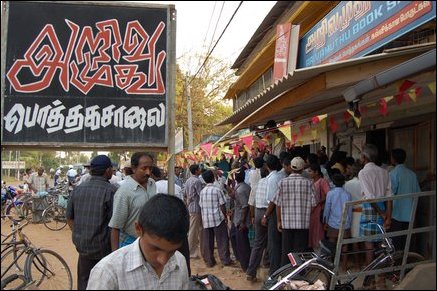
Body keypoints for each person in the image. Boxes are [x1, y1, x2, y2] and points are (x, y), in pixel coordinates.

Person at [87, 194, 190, 290]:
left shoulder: (179, 261)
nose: (163, 260)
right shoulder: (107, 272)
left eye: (171, 252)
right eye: (155, 248)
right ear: (138, 229)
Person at [66, 155, 118, 290]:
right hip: (103, 250)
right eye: (111, 169)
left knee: (84, 282)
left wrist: (81, 235)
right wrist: (115, 254)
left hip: (83, 248)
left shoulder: (78, 189)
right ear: (107, 171)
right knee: (103, 283)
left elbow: (69, 218)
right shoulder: (111, 191)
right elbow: (114, 225)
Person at [359, 144, 393, 289]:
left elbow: (369, 198)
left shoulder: (363, 173)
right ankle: (382, 280)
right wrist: (388, 216)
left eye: (361, 155)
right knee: (382, 248)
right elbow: (390, 195)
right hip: (384, 207)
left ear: (365, 157)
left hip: (371, 209)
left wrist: (381, 213)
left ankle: (371, 282)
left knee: (369, 249)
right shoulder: (384, 172)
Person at [272, 156, 316, 266]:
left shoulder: (282, 182)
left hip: (287, 223)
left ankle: (285, 274)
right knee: (300, 251)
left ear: (291, 168)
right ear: (302, 169)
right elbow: (314, 203)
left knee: (286, 251)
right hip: (302, 223)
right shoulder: (309, 183)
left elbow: (277, 203)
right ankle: (299, 275)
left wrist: (278, 221)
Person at [109, 152, 156, 250]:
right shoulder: (124, 192)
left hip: (148, 242)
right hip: (129, 244)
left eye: (150, 168)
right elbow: (115, 227)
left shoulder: (152, 184)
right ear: (134, 168)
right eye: (144, 168)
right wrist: (115, 255)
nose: (148, 172)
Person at [199, 170, 233, 267]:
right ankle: (225, 260)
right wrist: (225, 216)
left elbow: (201, 205)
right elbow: (222, 205)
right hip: (217, 218)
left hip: (206, 219)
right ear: (213, 178)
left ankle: (209, 261)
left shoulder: (202, 192)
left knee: (208, 241)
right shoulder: (217, 190)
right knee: (222, 240)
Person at [389, 148, 421, 252]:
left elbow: (390, 192)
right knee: (407, 242)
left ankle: (398, 266)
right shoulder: (412, 174)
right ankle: (408, 266)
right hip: (410, 214)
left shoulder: (393, 174)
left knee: (396, 243)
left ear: (393, 159)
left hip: (397, 214)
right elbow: (418, 193)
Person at [323, 173, 352, 271]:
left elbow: (327, 209)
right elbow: (349, 211)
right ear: (344, 182)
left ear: (333, 182)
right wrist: (349, 223)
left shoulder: (330, 194)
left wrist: (325, 222)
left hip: (332, 222)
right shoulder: (348, 194)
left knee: (332, 243)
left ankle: (332, 264)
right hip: (345, 223)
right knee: (344, 245)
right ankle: (344, 265)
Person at [231, 168, 252, 272]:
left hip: (240, 220)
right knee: (239, 241)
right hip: (238, 218)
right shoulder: (246, 186)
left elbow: (245, 206)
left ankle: (245, 266)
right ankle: (245, 262)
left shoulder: (240, 190)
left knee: (242, 244)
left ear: (235, 178)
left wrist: (242, 222)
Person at [308, 163, 330, 250]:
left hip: (319, 210)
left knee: (318, 232)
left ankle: (319, 251)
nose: (309, 173)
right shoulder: (311, 182)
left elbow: (328, 195)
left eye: (310, 171)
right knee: (313, 231)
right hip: (312, 212)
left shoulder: (322, 181)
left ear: (316, 172)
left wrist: (319, 202)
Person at [184, 164, 204, 260]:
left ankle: (196, 251)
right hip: (196, 208)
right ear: (196, 171)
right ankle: (191, 252)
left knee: (197, 229)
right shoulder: (197, 181)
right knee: (193, 230)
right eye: (199, 169)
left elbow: (185, 194)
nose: (200, 170)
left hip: (191, 207)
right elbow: (201, 194)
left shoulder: (188, 180)